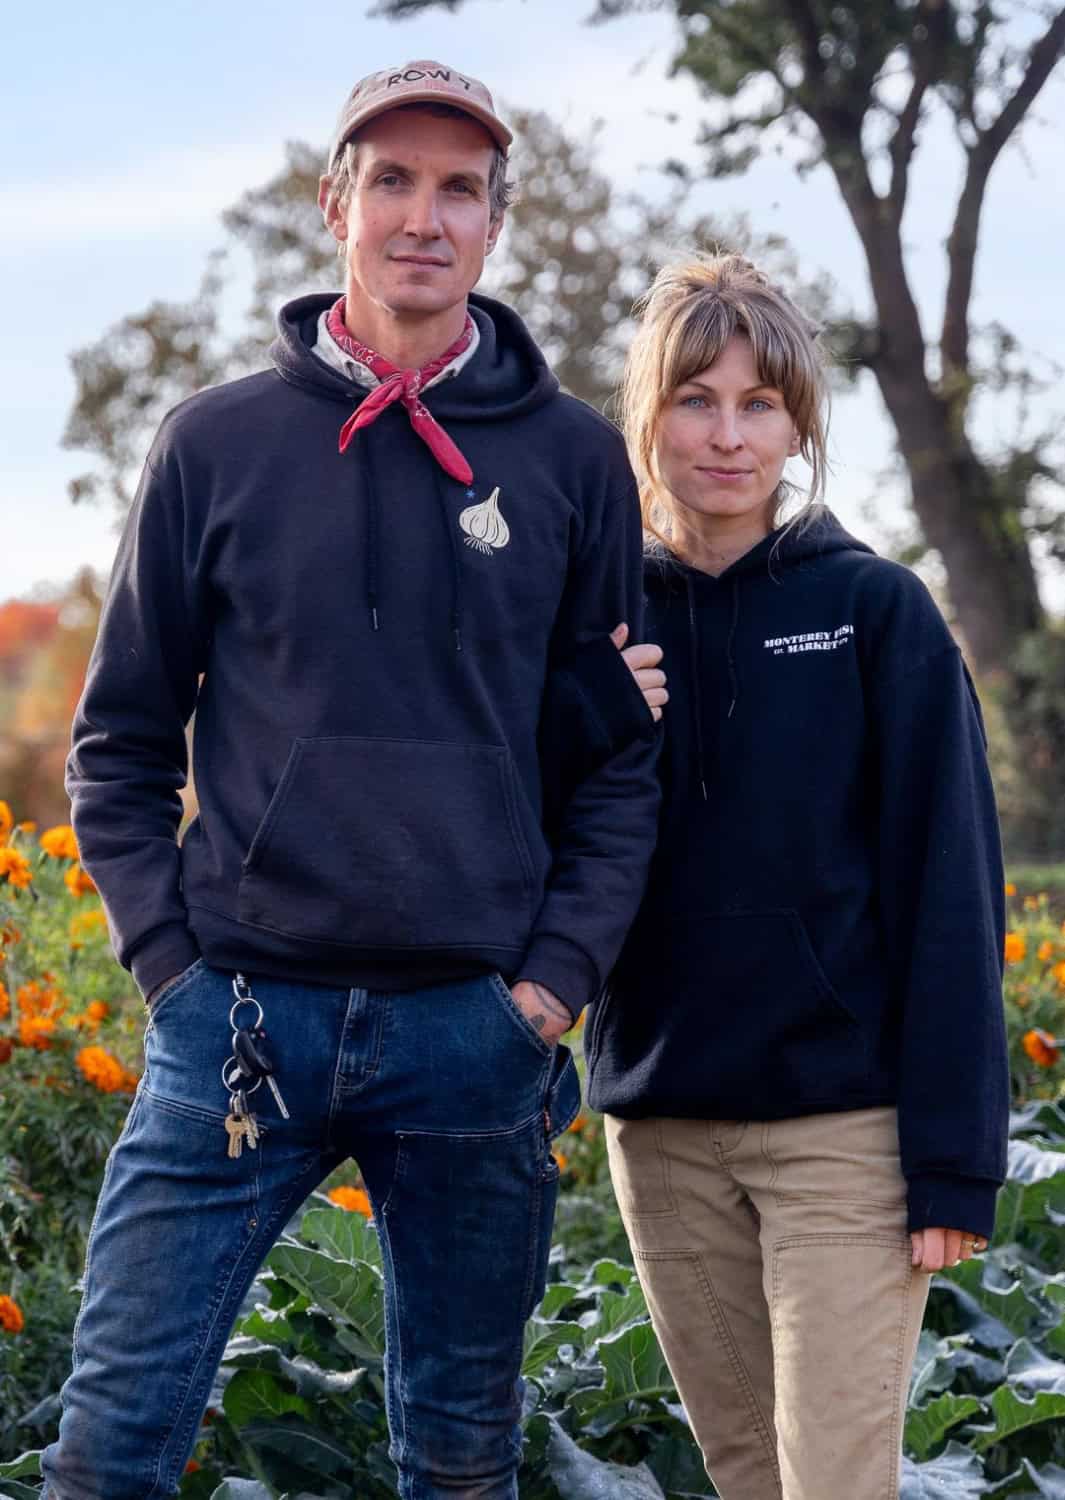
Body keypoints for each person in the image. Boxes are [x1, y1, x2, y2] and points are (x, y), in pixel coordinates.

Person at [46, 61, 660, 1500]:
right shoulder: (215, 445)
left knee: (459, 1463)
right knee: (110, 1446)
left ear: (497, 226)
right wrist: (173, 973)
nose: (423, 217)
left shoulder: (573, 463)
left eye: (460, 188)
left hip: (476, 1035)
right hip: (239, 1029)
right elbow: (120, 744)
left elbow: (621, 768)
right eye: (392, 180)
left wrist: (549, 989)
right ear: (335, 204)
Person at [582, 253, 1010, 1500]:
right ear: (645, 415)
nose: (726, 436)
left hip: (843, 1138)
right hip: (662, 1137)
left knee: (832, 1481)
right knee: (746, 1477)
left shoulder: (877, 612)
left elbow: (954, 892)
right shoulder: (601, 623)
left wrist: (952, 1162)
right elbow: (536, 847)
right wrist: (583, 710)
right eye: (694, 400)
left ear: (799, 424)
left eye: (758, 403)